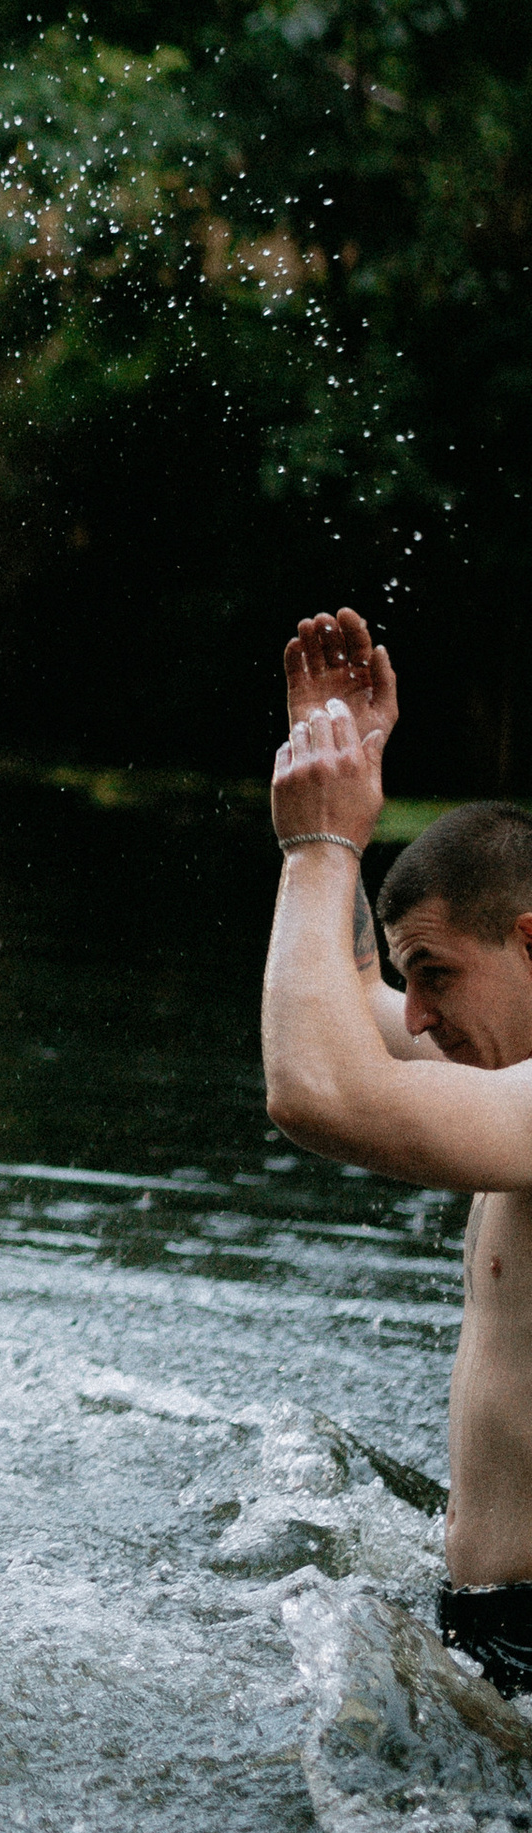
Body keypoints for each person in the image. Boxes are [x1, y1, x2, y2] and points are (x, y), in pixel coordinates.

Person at [261, 607, 532, 1690]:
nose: (411, 1019)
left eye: (436, 975)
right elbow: (332, 1011)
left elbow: (318, 1089)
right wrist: (330, 777)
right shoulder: (497, 1079)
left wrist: (317, 849)